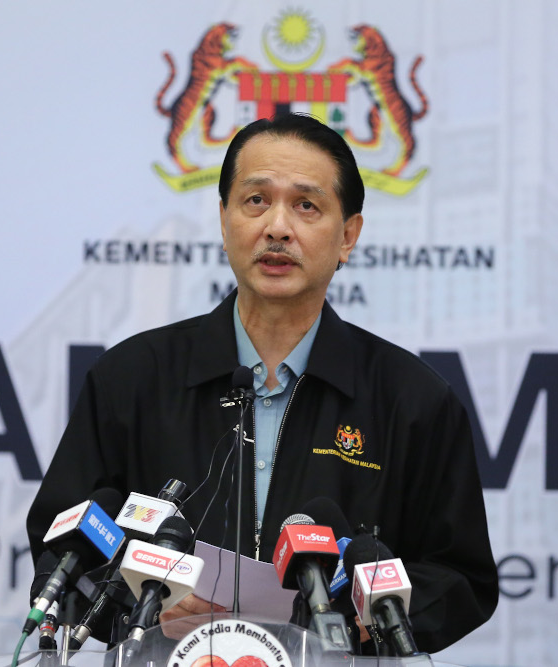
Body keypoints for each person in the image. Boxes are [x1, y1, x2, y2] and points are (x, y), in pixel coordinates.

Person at [26, 113, 498, 652]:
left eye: (306, 205)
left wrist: (356, 624)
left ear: (348, 236)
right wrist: (141, 609)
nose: (277, 226)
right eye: (256, 201)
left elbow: (461, 578)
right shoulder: (132, 377)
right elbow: (60, 546)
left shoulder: (412, 400)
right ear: (224, 218)